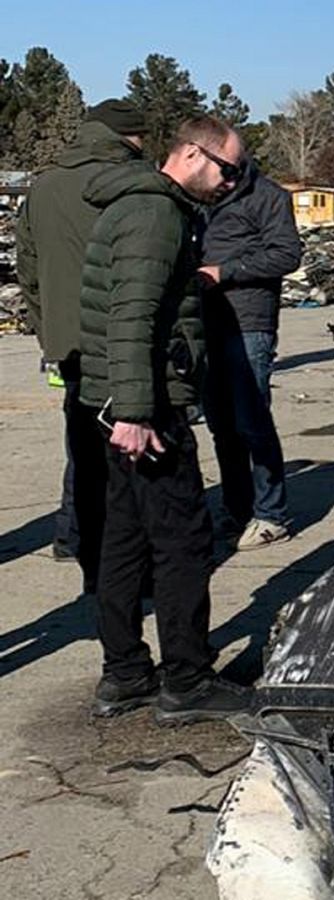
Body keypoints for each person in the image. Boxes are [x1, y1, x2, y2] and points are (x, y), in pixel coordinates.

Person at [77, 116, 252, 722]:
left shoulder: (139, 206)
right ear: (192, 155)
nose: (232, 183)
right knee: (183, 542)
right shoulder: (157, 216)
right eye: (228, 170)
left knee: (125, 539)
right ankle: (187, 679)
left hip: (117, 402)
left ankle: (124, 673)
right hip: (144, 407)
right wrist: (135, 411)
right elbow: (132, 316)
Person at [14, 99, 146, 589]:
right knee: (130, 454)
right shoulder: (128, 184)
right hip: (123, 341)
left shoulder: (43, 187)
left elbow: (27, 270)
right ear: (128, 138)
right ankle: (120, 564)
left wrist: (49, 331)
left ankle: (74, 537)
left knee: (83, 444)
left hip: (67, 343)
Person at [200, 157, 303, 550]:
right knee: (221, 426)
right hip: (207, 323)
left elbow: (286, 255)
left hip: (249, 322)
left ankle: (271, 514)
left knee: (252, 421)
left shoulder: (267, 196)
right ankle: (236, 509)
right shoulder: (200, 197)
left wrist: (225, 272)